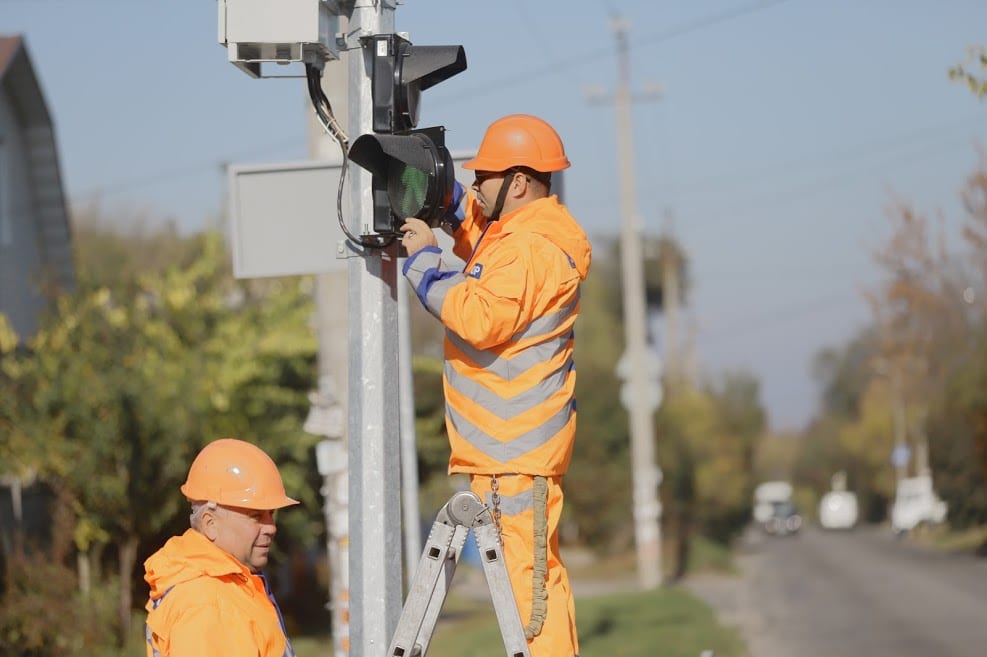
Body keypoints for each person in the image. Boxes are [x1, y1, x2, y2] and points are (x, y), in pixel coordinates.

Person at [400, 113, 591, 657]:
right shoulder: (520, 239)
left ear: (520, 182)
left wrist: (424, 263)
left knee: (529, 599)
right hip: (505, 454)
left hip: (515, 455)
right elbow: (483, 240)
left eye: (484, 176)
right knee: (526, 587)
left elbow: (481, 317)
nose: (476, 185)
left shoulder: (530, 249)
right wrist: (445, 196)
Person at [143, 438, 299, 657]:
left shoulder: (224, 588)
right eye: (256, 516)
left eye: (271, 514)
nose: (271, 527)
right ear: (210, 523)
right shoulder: (209, 604)